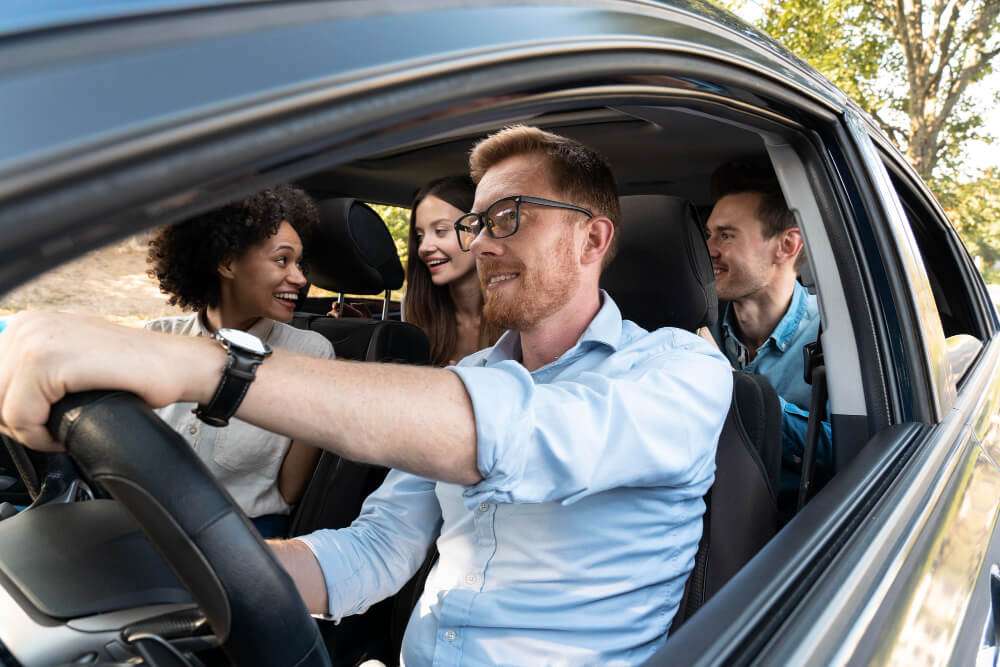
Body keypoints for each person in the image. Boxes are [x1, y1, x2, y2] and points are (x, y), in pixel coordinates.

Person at [0, 126, 732, 665]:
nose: (480, 244)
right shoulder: (470, 376)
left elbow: (516, 434)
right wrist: (194, 570)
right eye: (477, 223)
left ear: (592, 239)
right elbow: (377, 547)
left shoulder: (680, 372)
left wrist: (209, 367)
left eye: (508, 217)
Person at [145, 185, 335, 537]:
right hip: (143, 522)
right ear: (228, 263)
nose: (300, 278)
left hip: (243, 538)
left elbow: (289, 492)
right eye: (282, 260)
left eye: (299, 263)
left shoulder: (312, 353)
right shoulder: (157, 335)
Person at [705, 159, 832, 498]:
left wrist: (731, 385)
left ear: (787, 246)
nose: (709, 249)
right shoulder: (692, 331)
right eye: (709, 235)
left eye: (726, 235)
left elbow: (843, 450)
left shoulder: (836, 335)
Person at [404, 176, 501, 365]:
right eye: (420, 236)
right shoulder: (420, 316)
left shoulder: (516, 317)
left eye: (441, 231)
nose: (424, 247)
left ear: (480, 231)